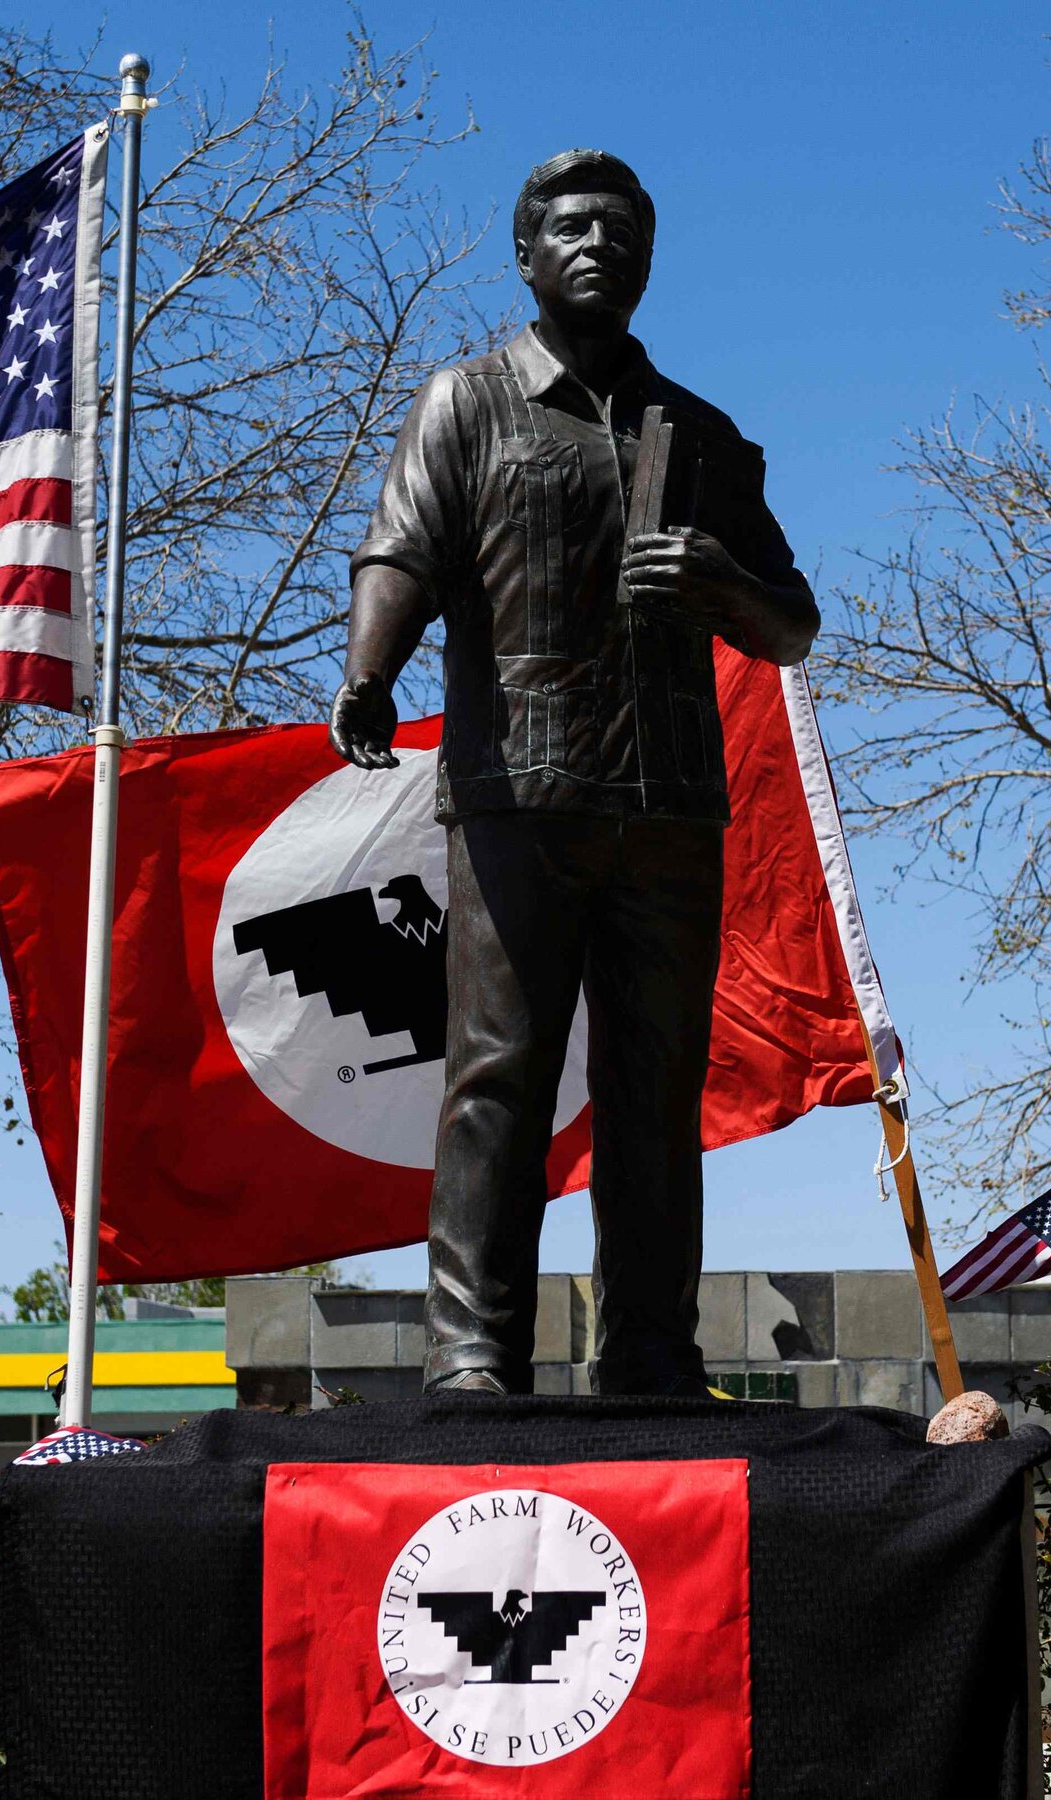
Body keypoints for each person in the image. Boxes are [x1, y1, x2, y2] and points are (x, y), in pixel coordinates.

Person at [330, 149, 820, 1396]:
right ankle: (473, 1352)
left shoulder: (700, 435)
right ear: (527, 254)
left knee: (655, 1094)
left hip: (667, 810)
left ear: (648, 258)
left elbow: (791, 622)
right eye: (573, 226)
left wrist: (719, 581)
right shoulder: (469, 402)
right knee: (498, 1074)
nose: (598, 243)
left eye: (621, 228)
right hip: (516, 802)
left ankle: (650, 1350)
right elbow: (401, 552)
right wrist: (369, 675)